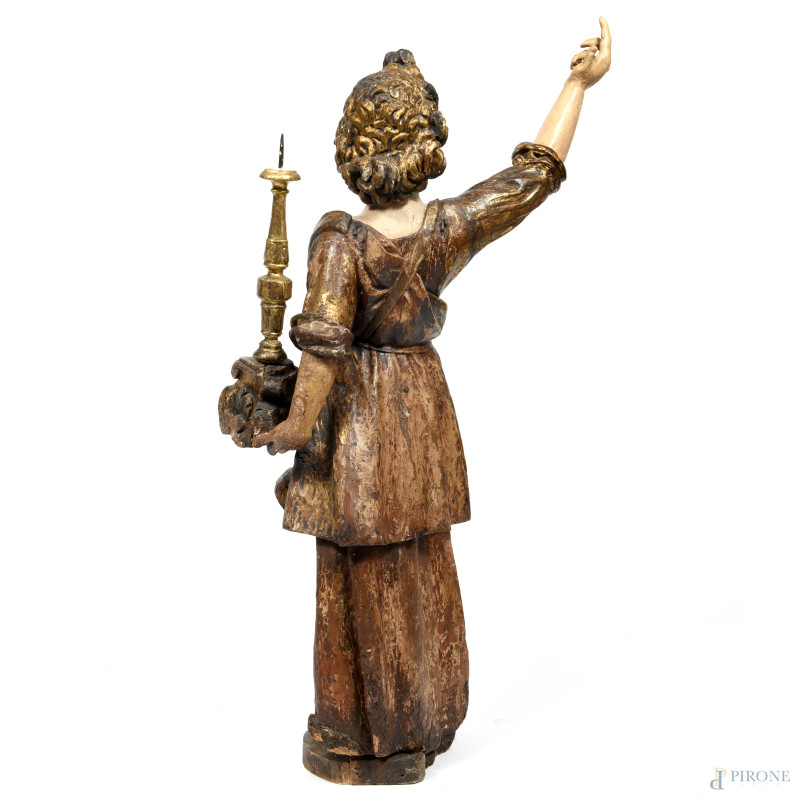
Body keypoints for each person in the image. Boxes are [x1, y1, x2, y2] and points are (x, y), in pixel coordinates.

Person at [253, 18, 612, 782]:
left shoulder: (337, 241)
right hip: (421, 412)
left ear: (353, 147)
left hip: (357, 421)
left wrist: (293, 425)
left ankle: (364, 735)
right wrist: (576, 85)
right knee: (421, 561)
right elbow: (531, 177)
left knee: (357, 575)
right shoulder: (447, 226)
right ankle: (426, 718)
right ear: (426, 144)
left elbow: (323, 350)